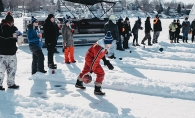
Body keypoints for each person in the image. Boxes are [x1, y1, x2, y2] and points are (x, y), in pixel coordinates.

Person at [75, 31, 114, 95]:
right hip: (91, 59)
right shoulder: (99, 48)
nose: (111, 44)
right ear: (107, 42)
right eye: (110, 43)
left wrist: (106, 61)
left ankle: (78, 83)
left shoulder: (104, 45)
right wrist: (91, 71)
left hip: (89, 56)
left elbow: (102, 54)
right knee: (100, 73)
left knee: (85, 70)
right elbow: (95, 61)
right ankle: (97, 89)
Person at [0, 12, 19, 90]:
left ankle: (11, 83)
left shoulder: (15, 28)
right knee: (1, 70)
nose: (11, 24)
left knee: (12, 69)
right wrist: (11, 36)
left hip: (12, 52)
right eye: (9, 23)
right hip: (2, 53)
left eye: (12, 22)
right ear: (6, 22)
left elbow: (16, 39)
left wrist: (18, 38)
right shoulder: (1, 28)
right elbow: (2, 37)